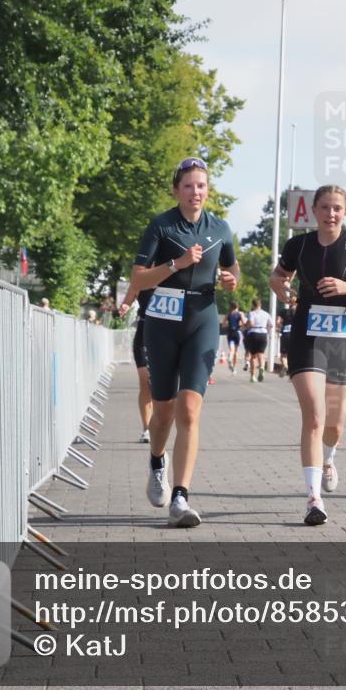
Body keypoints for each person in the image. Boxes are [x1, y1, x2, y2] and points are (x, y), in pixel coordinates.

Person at [119, 156, 240, 527]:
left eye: (201, 185)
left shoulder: (220, 227)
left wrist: (232, 279)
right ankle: (157, 461)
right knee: (165, 411)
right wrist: (177, 264)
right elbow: (138, 279)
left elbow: (232, 267)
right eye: (188, 185)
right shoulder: (161, 226)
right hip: (163, 321)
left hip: (202, 319)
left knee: (189, 410)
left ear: (208, 189)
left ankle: (181, 496)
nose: (195, 192)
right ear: (177, 190)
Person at [269, 185, 346, 525]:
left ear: (345, 212)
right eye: (324, 207)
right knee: (314, 418)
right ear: (313, 210)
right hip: (307, 335)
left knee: (334, 425)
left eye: (337, 208)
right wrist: (279, 285)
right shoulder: (298, 244)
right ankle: (313, 498)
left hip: (344, 337)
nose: (330, 213)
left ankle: (329, 457)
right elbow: (277, 277)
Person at [123, 288, 155, 443]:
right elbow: (127, 299)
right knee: (145, 383)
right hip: (143, 334)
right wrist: (125, 306)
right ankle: (147, 428)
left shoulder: (173, 273)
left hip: (166, 335)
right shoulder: (142, 276)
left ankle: (161, 423)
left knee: (161, 385)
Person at [243, 298, 272, 382]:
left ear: (253, 305)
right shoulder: (266, 314)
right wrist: (265, 328)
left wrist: (246, 326)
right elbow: (271, 325)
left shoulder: (251, 313)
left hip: (253, 333)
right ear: (260, 305)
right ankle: (262, 368)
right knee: (261, 354)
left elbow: (251, 323)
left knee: (253, 356)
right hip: (263, 333)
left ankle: (252, 376)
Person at [277, 295, 296, 377]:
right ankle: (293, 372)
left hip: (285, 333)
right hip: (295, 334)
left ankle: (285, 366)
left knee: (283, 354)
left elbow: (278, 322)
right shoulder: (300, 311)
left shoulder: (283, 311)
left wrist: (281, 327)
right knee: (294, 354)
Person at [225, 301, 244, 374]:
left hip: (230, 333)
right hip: (237, 333)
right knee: (236, 351)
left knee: (231, 350)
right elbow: (243, 323)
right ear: (237, 306)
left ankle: (230, 358)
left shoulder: (228, 314)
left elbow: (223, 324)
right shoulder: (240, 314)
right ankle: (234, 368)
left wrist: (228, 324)